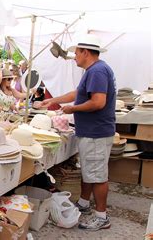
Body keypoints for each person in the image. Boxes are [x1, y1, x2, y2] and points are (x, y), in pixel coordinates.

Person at [41, 34, 116, 231]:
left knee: (98, 175)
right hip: (92, 131)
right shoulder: (93, 70)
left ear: (85, 52)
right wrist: (53, 100)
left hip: (96, 132)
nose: (74, 57)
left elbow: (98, 102)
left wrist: (72, 109)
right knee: (90, 171)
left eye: (76, 53)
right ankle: (83, 204)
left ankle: (102, 217)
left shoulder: (98, 71)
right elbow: (78, 94)